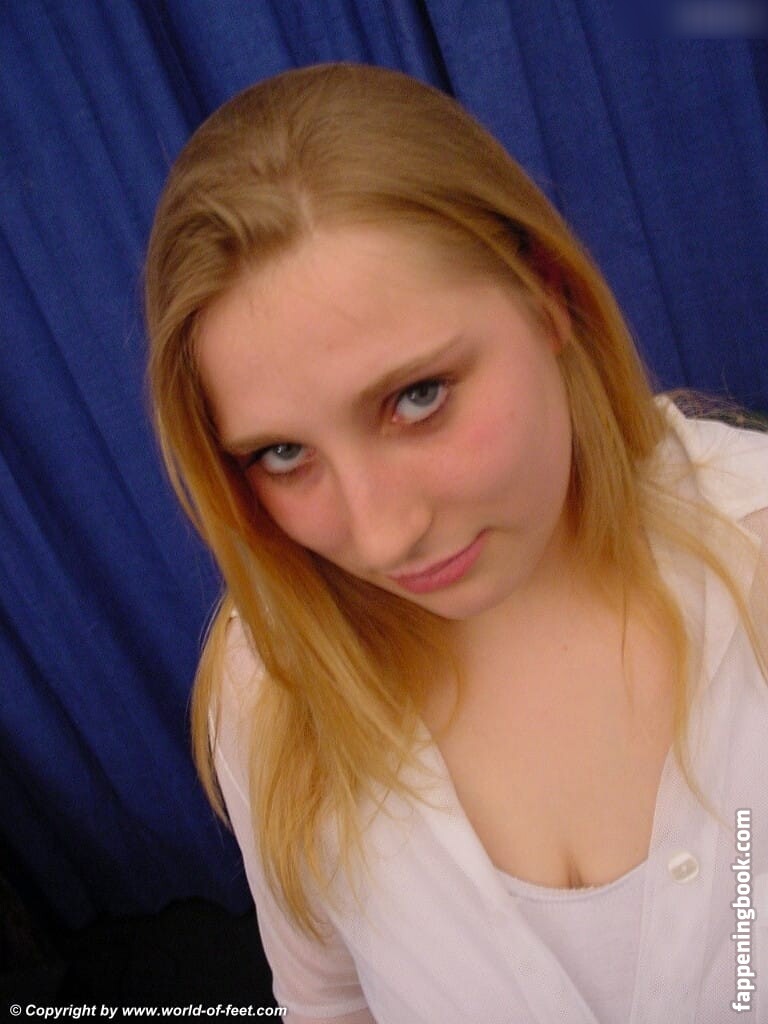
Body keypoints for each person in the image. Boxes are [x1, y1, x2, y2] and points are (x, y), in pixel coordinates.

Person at [145, 62, 768, 1023]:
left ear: (547, 294)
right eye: (282, 454)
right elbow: (327, 1009)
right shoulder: (270, 680)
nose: (381, 533)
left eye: (418, 397)